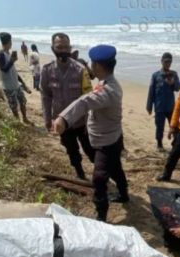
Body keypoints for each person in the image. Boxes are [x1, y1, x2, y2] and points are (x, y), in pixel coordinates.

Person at [52, 45, 128, 222]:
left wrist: (63, 118)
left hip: (106, 142)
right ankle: (124, 194)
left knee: (99, 179)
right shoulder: (106, 82)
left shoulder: (108, 90)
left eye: (92, 63)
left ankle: (101, 216)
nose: (90, 66)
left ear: (99, 66)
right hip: (111, 137)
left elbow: (84, 102)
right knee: (116, 168)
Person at [41, 33, 95, 180]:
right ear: (53, 48)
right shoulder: (46, 70)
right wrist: (47, 118)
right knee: (72, 151)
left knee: (91, 151)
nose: (63, 50)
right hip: (62, 123)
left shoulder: (80, 69)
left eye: (66, 47)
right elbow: (46, 95)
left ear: (70, 48)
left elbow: (89, 97)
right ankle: (80, 174)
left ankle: (101, 175)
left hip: (82, 122)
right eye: (59, 47)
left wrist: (90, 121)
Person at [147, 52, 180, 151]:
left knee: (174, 126)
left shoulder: (174, 74)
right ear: (161, 61)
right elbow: (151, 91)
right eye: (166, 61)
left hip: (171, 107)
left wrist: (172, 83)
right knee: (159, 127)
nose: (168, 64)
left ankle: (175, 144)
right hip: (159, 107)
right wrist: (149, 106)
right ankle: (159, 144)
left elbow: (178, 88)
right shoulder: (155, 75)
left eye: (170, 62)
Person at [0, 32, 30, 123]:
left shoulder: (8, 53)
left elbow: (13, 71)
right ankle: (17, 122)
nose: (11, 43)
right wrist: (12, 61)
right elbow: (4, 69)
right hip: (8, 86)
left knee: (23, 101)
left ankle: (25, 118)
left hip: (16, 84)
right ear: (9, 42)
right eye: (11, 41)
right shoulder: (1, 54)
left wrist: (22, 83)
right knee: (14, 106)